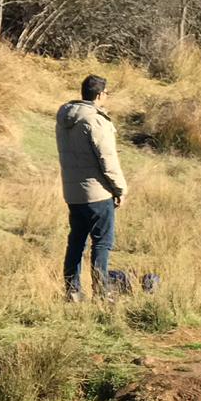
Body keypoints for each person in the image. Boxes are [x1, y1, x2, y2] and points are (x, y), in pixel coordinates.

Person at [55, 74, 127, 302]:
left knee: (76, 241)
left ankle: (72, 291)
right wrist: (119, 189)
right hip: (97, 192)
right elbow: (107, 159)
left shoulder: (65, 118)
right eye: (106, 93)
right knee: (102, 242)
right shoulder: (95, 120)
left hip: (73, 193)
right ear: (99, 95)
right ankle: (102, 292)